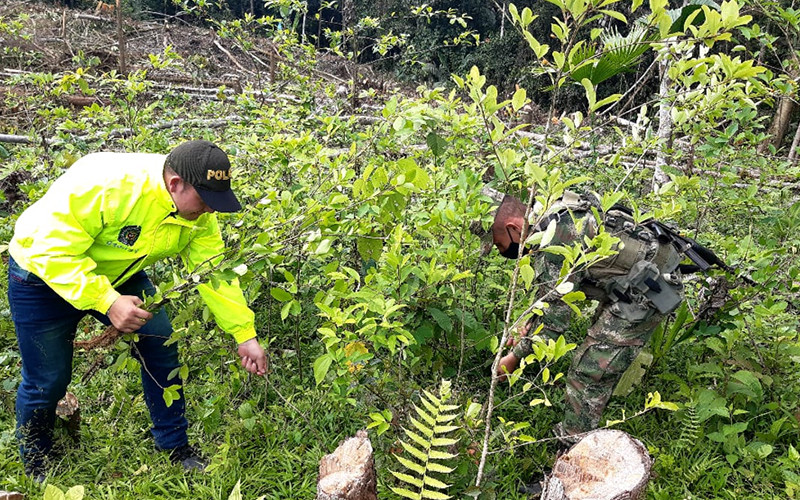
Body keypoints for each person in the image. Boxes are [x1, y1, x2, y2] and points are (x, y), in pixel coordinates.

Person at [7, 140, 267, 480]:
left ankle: (175, 447)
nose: (210, 211)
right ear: (175, 184)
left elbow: (214, 272)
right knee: (47, 379)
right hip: (41, 276)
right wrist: (107, 301)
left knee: (161, 344)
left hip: (119, 272)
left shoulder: (198, 212)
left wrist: (244, 334)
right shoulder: (106, 185)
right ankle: (36, 458)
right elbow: (49, 250)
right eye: (205, 201)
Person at [491, 191, 685, 440]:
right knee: (598, 355)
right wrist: (526, 325)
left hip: (649, 288)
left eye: (500, 245)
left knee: (590, 370)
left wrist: (513, 359)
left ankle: (574, 445)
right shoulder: (555, 213)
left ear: (513, 227)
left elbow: (553, 323)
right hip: (628, 282)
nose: (503, 253)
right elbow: (551, 297)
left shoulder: (555, 238)